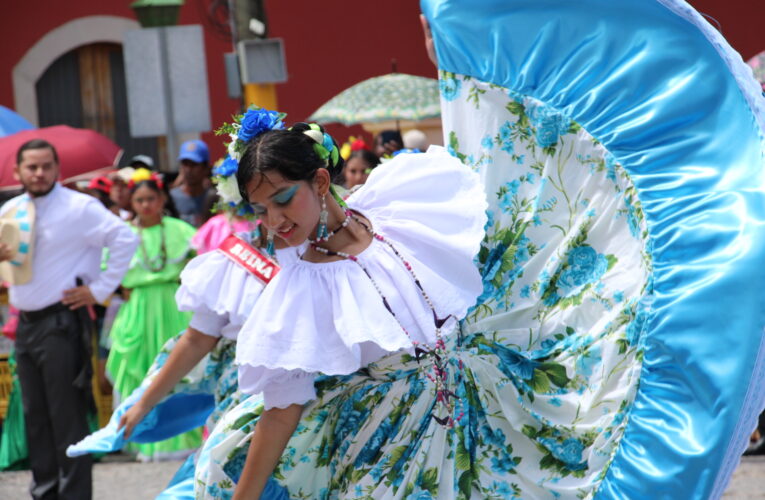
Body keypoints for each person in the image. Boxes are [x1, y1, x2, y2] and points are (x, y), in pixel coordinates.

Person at [192, 113, 487, 498]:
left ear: (320, 181)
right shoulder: (302, 285)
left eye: (282, 199)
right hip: (389, 445)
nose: (275, 221)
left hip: (469, 412)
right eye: (261, 210)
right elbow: (282, 407)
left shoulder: (393, 209)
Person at [0, 138, 138, 500]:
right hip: (26, 324)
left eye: (46, 165)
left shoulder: (80, 207)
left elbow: (125, 238)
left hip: (62, 322)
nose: (39, 173)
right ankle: (44, 493)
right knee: (36, 417)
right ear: (18, 172)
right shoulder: (11, 210)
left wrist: (100, 289)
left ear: (58, 169)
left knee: (68, 417)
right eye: (31, 166)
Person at [105, 171, 200, 461]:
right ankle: (144, 440)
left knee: (178, 368)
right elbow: (106, 269)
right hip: (139, 307)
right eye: (139, 200)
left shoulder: (180, 229)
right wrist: (121, 290)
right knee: (143, 369)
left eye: (151, 199)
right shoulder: (124, 233)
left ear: (162, 199)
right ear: (132, 203)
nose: (145, 205)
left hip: (173, 303)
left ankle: (185, 437)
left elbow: (199, 261)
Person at [170, 140, 215, 227]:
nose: (188, 170)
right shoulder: (172, 198)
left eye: (194, 164)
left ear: (206, 168)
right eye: (185, 164)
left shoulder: (213, 198)